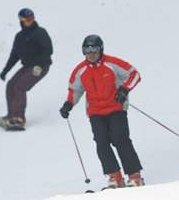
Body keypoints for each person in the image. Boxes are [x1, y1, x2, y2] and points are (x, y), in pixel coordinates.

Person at [59, 35, 144, 188]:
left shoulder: (112, 63)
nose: (91, 53)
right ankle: (115, 177)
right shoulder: (80, 70)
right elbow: (75, 90)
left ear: (101, 49)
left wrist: (124, 90)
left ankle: (134, 176)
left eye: (94, 49)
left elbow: (134, 74)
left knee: (120, 138)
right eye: (87, 50)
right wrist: (68, 104)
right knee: (101, 142)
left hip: (116, 107)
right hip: (95, 112)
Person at [0, 8, 53, 130]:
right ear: (21, 20)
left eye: (32, 18)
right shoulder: (19, 37)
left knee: (19, 87)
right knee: (11, 85)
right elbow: (14, 55)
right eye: (27, 19)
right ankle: (11, 115)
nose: (30, 21)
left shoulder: (40, 32)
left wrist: (39, 64)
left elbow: (48, 50)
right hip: (28, 66)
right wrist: (5, 71)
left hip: (40, 66)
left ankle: (18, 118)